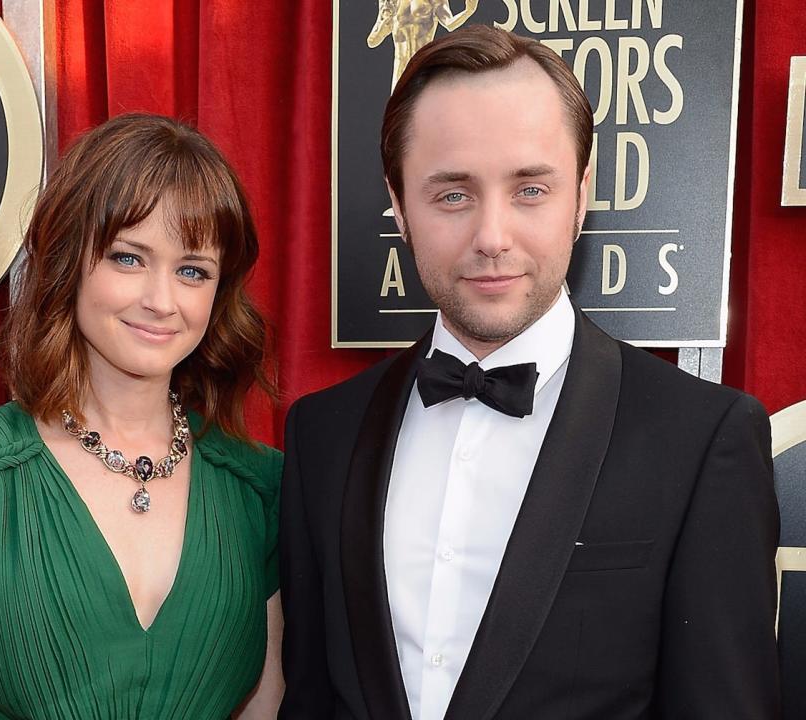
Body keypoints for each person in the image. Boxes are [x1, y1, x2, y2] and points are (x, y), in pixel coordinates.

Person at [279, 25, 780, 720]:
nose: (492, 235)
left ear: (581, 194)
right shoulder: (321, 436)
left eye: (530, 190)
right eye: (452, 194)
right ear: (397, 205)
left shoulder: (701, 441)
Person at [0, 114, 284, 719]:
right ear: (68, 259)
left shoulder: (261, 488)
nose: (160, 301)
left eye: (192, 271)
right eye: (130, 258)